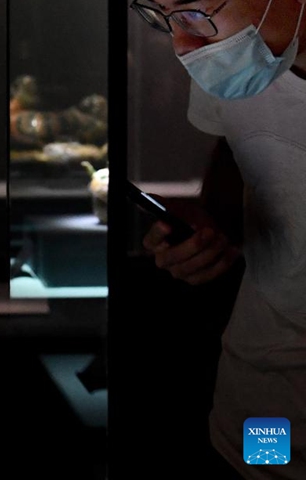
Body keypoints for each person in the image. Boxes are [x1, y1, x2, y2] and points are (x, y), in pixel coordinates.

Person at [129, 0, 306, 478]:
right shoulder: (233, 60)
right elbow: (239, 158)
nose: (183, 46)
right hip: (263, 405)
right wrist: (205, 229)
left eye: (191, 11)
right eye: (159, 17)